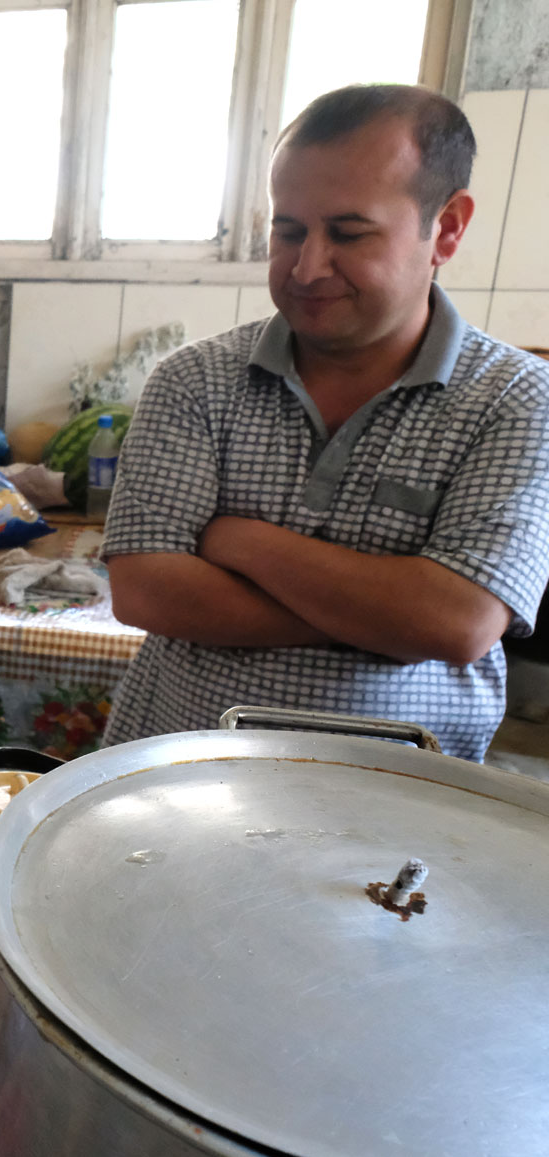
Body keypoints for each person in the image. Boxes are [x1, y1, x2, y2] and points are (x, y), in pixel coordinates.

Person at [103, 84, 549, 761]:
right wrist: (386, 617)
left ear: (447, 228)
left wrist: (242, 542)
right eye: (288, 231)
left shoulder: (517, 401)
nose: (308, 267)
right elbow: (145, 591)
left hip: (395, 802)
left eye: (349, 233)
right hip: (179, 779)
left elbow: (457, 622)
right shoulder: (195, 382)